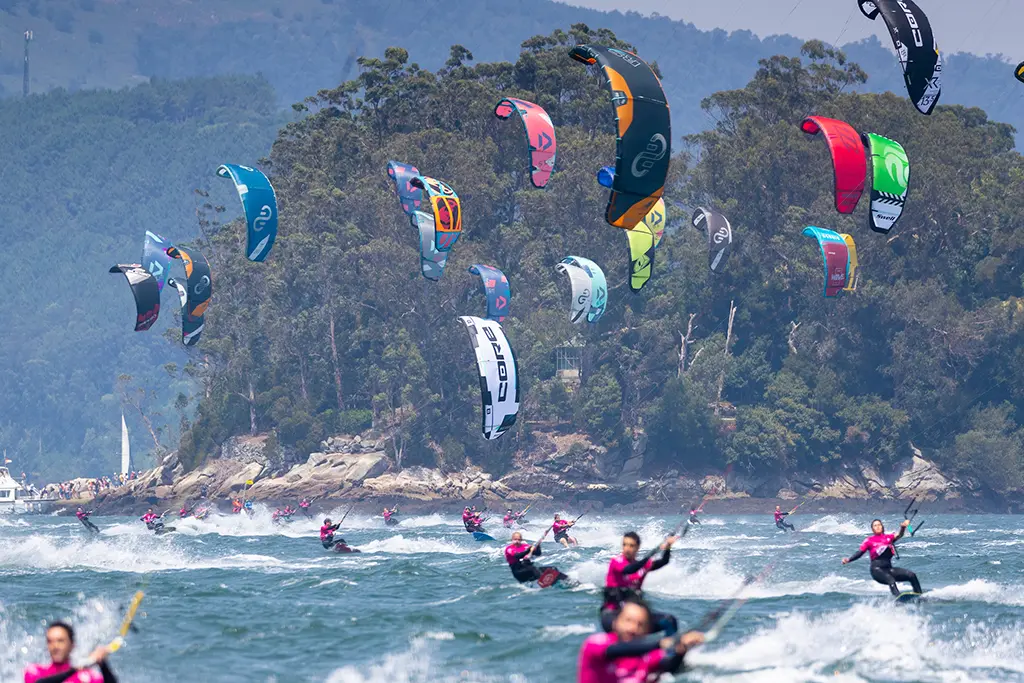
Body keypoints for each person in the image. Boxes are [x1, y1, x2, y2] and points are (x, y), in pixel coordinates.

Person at [577, 599, 704, 683]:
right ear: (615, 623)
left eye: (640, 624)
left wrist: (681, 649)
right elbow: (616, 650)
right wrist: (660, 643)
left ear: (647, 630)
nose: (633, 628)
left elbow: (668, 665)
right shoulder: (595, 644)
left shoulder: (646, 656)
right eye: (628, 621)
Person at [601, 531, 678, 635]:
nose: (627, 548)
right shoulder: (616, 562)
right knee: (625, 628)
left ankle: (669, 650)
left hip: (634, 614)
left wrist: (668, 546)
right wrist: (651, 554)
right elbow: (629, 569)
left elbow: (664, 561)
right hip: (612, 614)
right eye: (624, 545)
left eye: (631, 545)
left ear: (638, 547)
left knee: (669, 621)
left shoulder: (643, 565)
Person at [842, 519, 923, 596]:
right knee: (890, 579)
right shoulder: (869, 540)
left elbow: (899, 535)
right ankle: (898, 598)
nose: (877, 526)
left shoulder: (888, 538)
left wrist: (903, 527)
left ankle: (919, 595)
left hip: (888, 569)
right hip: (876, 570)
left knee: (911, 575)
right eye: (875, 525)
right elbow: (860, 553)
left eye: (879, 525)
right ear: (872, 529)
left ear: (882, 526)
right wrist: (849, 559)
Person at [24, 621, 118, 683]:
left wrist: (103, 665)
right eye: (50, 641)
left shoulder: (87, 677)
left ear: (72, 645)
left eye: (60, 641)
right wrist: (74, 670)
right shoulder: (34, 672)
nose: (55, 646)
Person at [503, 531, 571, 586]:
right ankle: (544, 583)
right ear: (511, 540)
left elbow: (538, 553)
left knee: (552, 569)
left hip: (528, 569)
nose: (517, 541)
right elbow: (517, 556)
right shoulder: (509, 549)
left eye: (519, 539)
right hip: (519, 572)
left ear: (521, 540)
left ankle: (569, 581)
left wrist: (538, 546)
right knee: (532, 569)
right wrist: (528, 550)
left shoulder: (525, 546)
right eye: (515, 539)